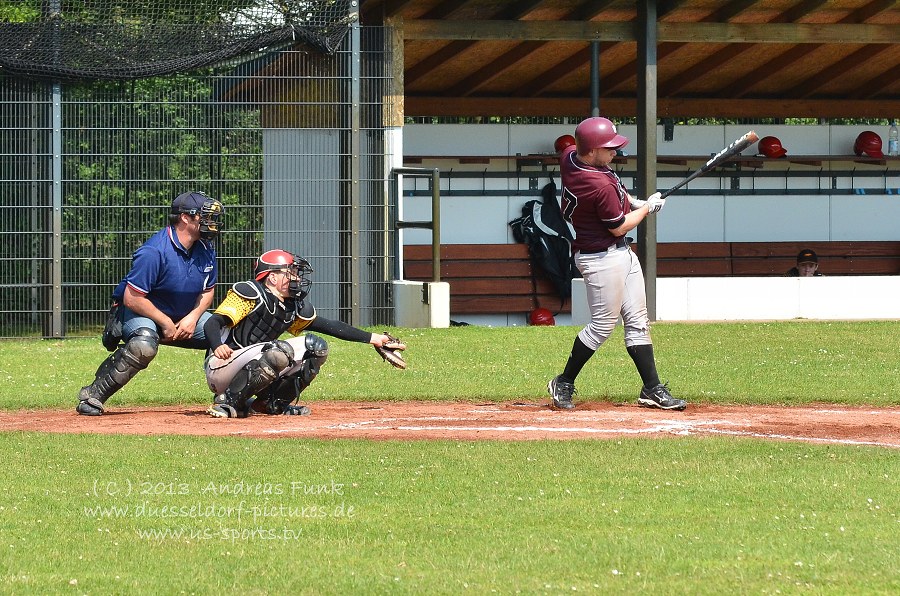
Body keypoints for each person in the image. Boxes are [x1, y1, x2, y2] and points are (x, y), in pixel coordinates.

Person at [547, 116, 686, 412]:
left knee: (638, 320)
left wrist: (635, 201)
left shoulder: (571, 157)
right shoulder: (596, 184)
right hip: (601, 259)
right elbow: (619, 226)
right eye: (608, 148)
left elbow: (618, 197)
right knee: (602, 326)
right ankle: (563, 381)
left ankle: (651, 388)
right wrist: (648, 208)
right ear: (591, 150)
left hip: (620, 254)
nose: (615, 153)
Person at [204, 249, 402, 418]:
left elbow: (330, 326)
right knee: (280, 351)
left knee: (316, 348)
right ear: (272, 277)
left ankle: (270, 404)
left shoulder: (291, 307)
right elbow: (213, 322)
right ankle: (227, 401)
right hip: (222, 364)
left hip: (251, 363)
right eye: (290, 272)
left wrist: (375, 339)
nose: (297, 278)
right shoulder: (250, 292)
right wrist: (216, 345)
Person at [76, 191, 225, 416]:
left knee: (224, 332)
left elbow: (207, 290)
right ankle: (93, 396)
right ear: (185, 218)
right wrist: (165, 322)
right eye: (204, 217)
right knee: (144, 345)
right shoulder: (154, 251)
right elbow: (132, 298)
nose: (210, 223)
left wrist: (192, 318)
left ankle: (228, 397)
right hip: (140, 312)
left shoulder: (205, 248)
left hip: (183, 315)